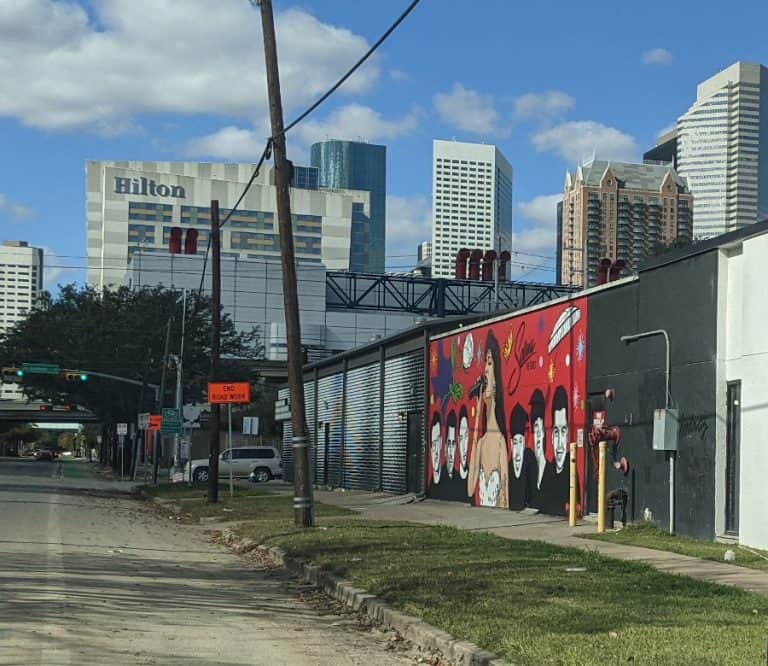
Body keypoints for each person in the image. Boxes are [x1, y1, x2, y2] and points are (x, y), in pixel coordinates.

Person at [467, 331, 509, 508]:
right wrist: (479, 404)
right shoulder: (482, 442)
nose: (484, 369)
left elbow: (505, 496)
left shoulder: (500, 441)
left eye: (489, 363)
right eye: (485, 362)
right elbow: (470, 488)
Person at [538, 386, 571, 515]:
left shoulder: (571, 469)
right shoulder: (548, 471)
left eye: (563, 431)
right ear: (551, 436)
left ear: (568, 435)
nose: (559, 443)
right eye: (556, 432)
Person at [508, 403, 536, 510]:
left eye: (521, 442)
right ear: (511, 443)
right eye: (515, 442)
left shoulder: (530, 460)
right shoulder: (509, 467)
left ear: (524, 443)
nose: (518, 450)